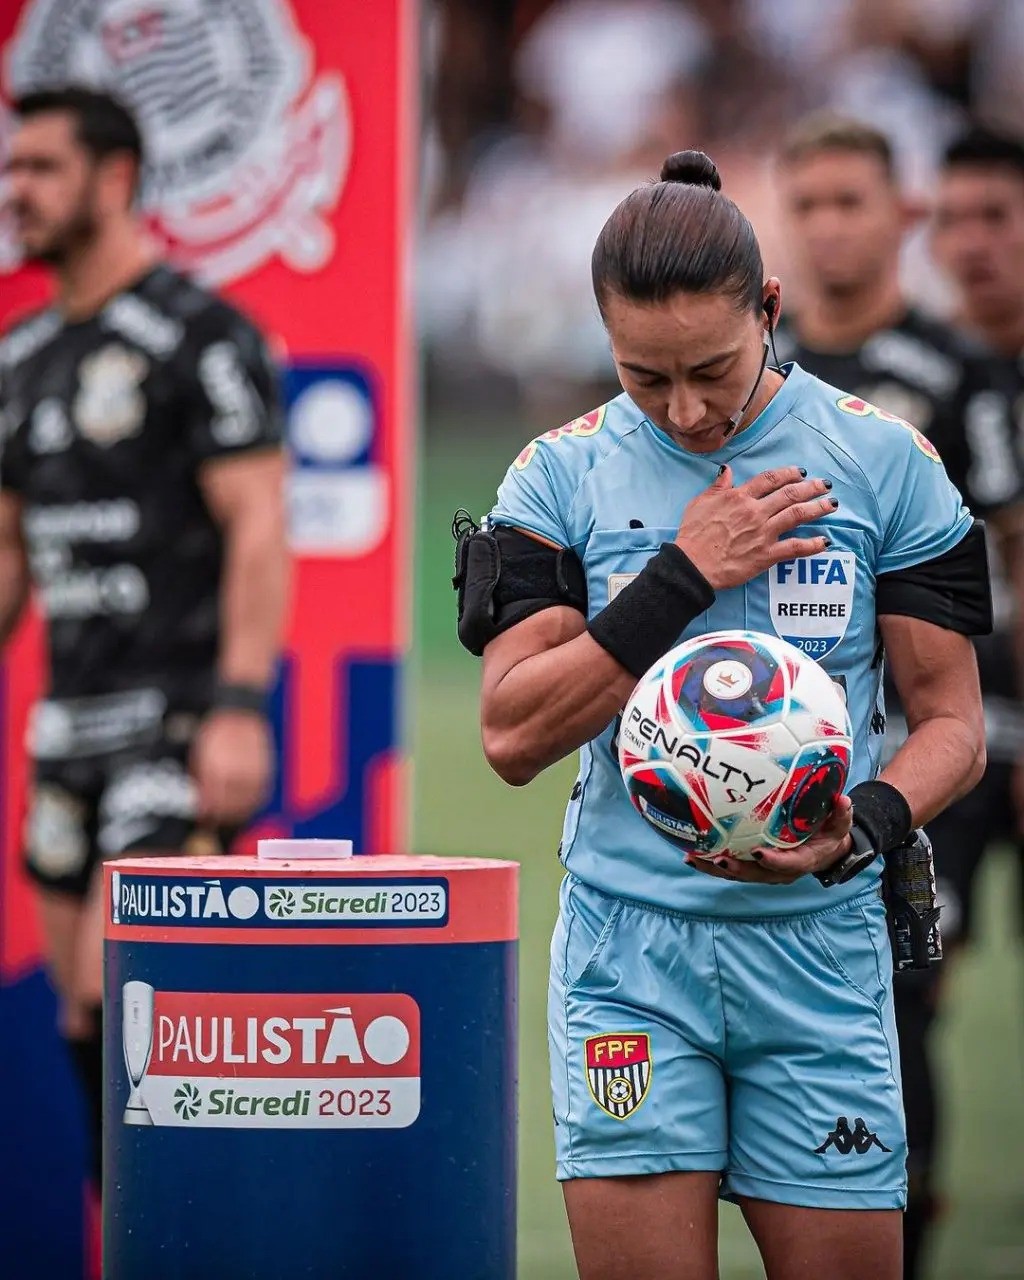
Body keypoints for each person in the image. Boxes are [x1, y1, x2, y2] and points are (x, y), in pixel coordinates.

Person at [454, 149, 991, 1280]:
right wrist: (681, 576)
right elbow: (511, 734)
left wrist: (872, 819)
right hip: (628, 961)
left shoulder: (884, 462)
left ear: (770, 311)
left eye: (710, 368)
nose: (685, 409)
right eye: (644, 376)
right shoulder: (557, 477)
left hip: (821, 948)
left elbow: (952, 718)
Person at [0, 87, 288, 1188]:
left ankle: (203, 1232)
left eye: (40, 167)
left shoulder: (198, 335)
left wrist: (239, 705)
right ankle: (134, 1231)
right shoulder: (21, 356)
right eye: (13, 167)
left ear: (113, 179)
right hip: (64, 727)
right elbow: (10, 555)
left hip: (172, 722)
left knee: (143, 1004)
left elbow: (259, 524)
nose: (16, 189)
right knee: (83, 1008)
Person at [771, 112, 1024, 1280]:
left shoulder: (953, 377)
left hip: (961, 733)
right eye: (806, 203)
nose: (827, 226)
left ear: (895, 215)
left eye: (848, 201)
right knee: (903, 991)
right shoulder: (754, 379)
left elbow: (1012, 553)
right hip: (822, 754)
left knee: (918, 981)